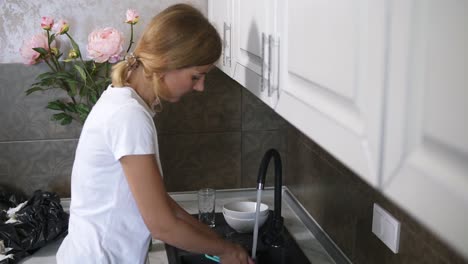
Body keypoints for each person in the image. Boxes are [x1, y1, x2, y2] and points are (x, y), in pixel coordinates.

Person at [56, 4, 254, 264]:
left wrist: (220, 244)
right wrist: (225, 251)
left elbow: (161, 204)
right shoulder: (129, 116)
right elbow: (162, 226)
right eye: (196, 76)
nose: (201, 87)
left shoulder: (124, 101)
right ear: (168, 63)